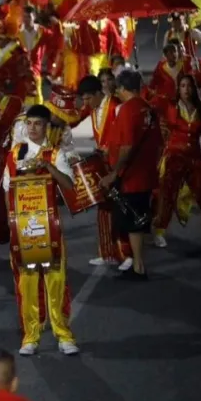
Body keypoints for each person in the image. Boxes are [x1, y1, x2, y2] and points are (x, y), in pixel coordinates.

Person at [2, 105, 79, 356]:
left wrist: (49, 168)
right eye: (29, 123)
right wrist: (12, 224)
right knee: (27, 283)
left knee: (56, 281)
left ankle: (63, 335)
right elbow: (7, 190)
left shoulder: (55, 154)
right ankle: (31, 336)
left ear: (46, 127)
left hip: (50, 227)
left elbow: (69, 185)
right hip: (23, 228)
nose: (32, 128)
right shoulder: (15, 154)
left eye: (37, 124)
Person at [100, 69, 162, 280]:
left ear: (123, 88)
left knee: (133, 221)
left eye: (118, 88)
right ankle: (137, 264)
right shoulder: (148, 109)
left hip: (131, 177)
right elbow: (158, 143)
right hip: (145, 173)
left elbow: (126, 147)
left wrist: (114, 173)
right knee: (139, 219)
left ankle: (138, 266)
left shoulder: (127, 110)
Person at [151, 74, 201, 246]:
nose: (186, 89)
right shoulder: (170, 106)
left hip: (194, 158)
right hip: (174, 157)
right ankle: (159, 231)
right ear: (178, 89)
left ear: (193, 89)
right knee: (167, 194)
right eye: (182, 86)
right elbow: (150, 103)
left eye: (189, 86)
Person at [77, 74, 132, 268]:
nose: (85, 103)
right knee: (103, 208)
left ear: (97, 94)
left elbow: (125, 135)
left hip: (118, 166)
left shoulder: (116, 106)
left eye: (87, 99)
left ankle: (127, 254)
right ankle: (107, 252)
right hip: (103, 164)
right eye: (83, 99)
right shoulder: (94, 109)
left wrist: (111, 148)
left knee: (120, 208)